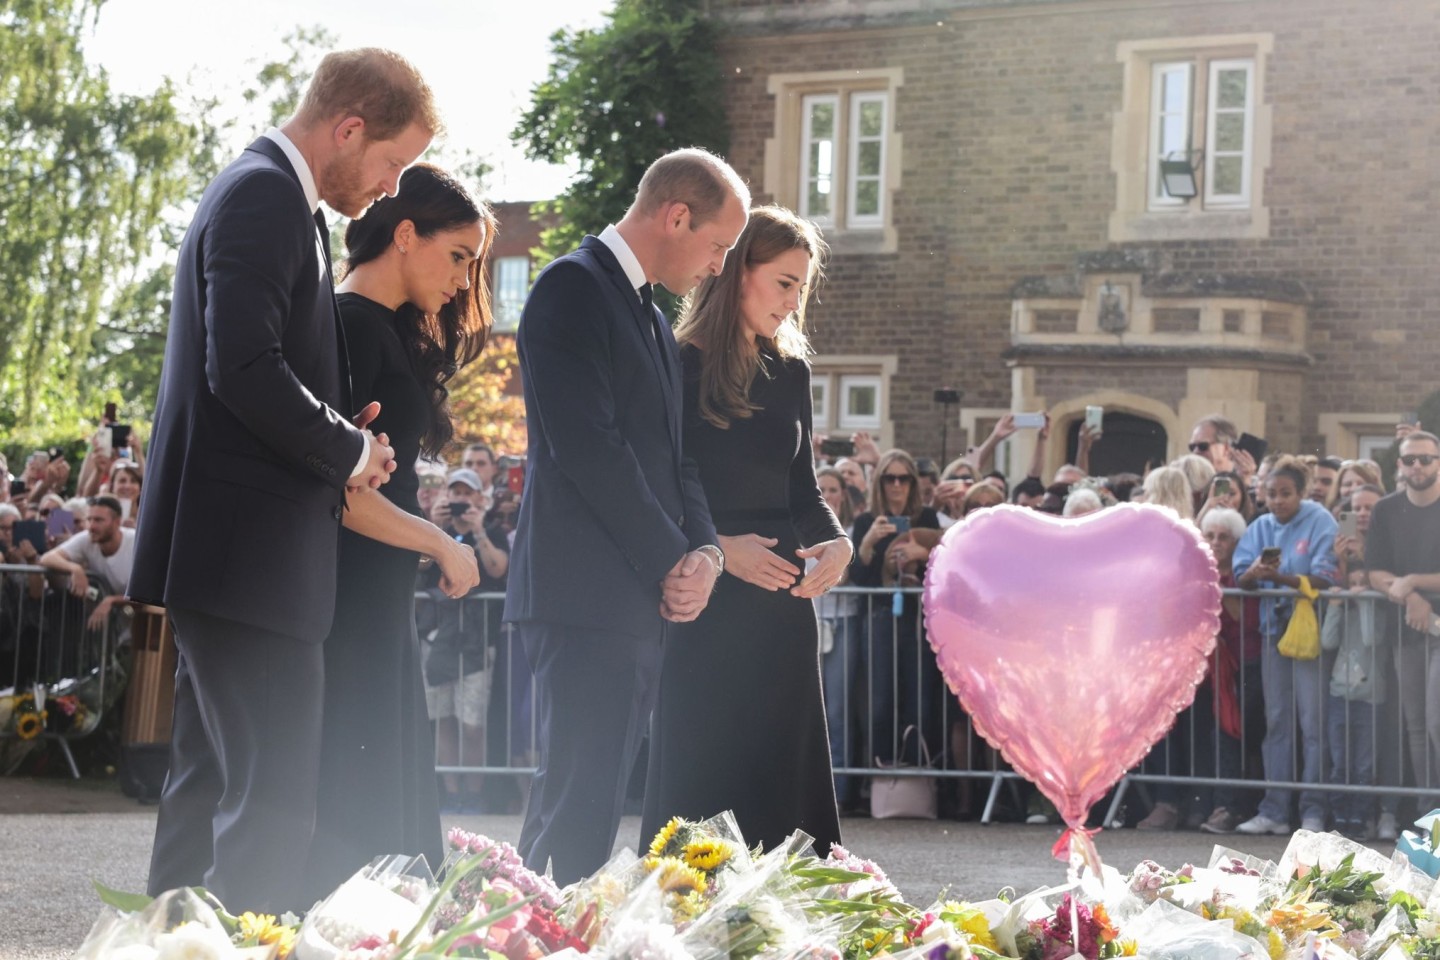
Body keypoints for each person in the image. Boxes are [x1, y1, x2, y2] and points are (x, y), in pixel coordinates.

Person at [131, 48, 440, 913]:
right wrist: (347, 449)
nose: (388, 188)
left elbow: (256, 368)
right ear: (348, 129)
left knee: (203, 801)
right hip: (249, 563)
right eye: (390, 162)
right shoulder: (267, 193)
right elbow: (243, 364)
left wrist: (346, 433)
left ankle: (172, 940)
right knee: (270, 809)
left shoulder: (266, 193)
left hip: (232, 557)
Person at [504, 148, 748, 885]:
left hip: (633, 596)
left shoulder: (648, 313)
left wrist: (706, 552)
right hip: (583, 594)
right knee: (573, 800)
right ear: (676, 216)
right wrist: (671, 555)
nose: (716, 267)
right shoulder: (571, 289)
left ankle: (547, 931)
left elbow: (677, 459)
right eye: (717, 246)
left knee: (595, 800)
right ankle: (533, 934)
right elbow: (589, 449)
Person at [302, 163, 492, 900]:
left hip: (380, 593)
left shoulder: (384, 327)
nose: (463, 279)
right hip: (349, 589)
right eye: (458, 257)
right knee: (363, 787)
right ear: (405, 235)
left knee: (391, 783)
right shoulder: (347, 325)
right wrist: (442, 543)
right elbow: (341, 494)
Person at [641, 205, 850, 851]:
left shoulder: (791, 372)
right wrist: (719, 550)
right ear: (737, 272)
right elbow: (659, 482)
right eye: (784, 282)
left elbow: (801, 488)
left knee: (783, 774)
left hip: (783, 605)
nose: (793, 302)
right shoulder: (675, 363)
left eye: (801, 288)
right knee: (699, 771)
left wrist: (838, 540)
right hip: (706, 596)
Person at [1233, 455, 1338, 835]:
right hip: (1271, 632)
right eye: (1271, 494)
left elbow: (1325, 578)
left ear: (1302, 492)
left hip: (1309, 634)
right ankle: (1274, 809)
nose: (1277, 501)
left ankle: (1313, 809)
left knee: (1313, 724)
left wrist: (1281, 577)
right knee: (1277, 721)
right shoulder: (1259, 526)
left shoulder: (1321, 520)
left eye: (1286, 494)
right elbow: (1240, 577)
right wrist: (1255, 574)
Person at [1367, 431, 1440, 796]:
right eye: (1410, 459)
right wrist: (1409, 595)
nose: (1418, 466)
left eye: (1426, 459)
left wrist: (1412, 582)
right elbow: (1375, 572)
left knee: (1436, 722)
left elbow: (1396, 580)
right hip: (1404, 630)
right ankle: (1433, 819)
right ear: (1399, 464)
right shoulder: (1386, 509)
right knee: (1415, 725)